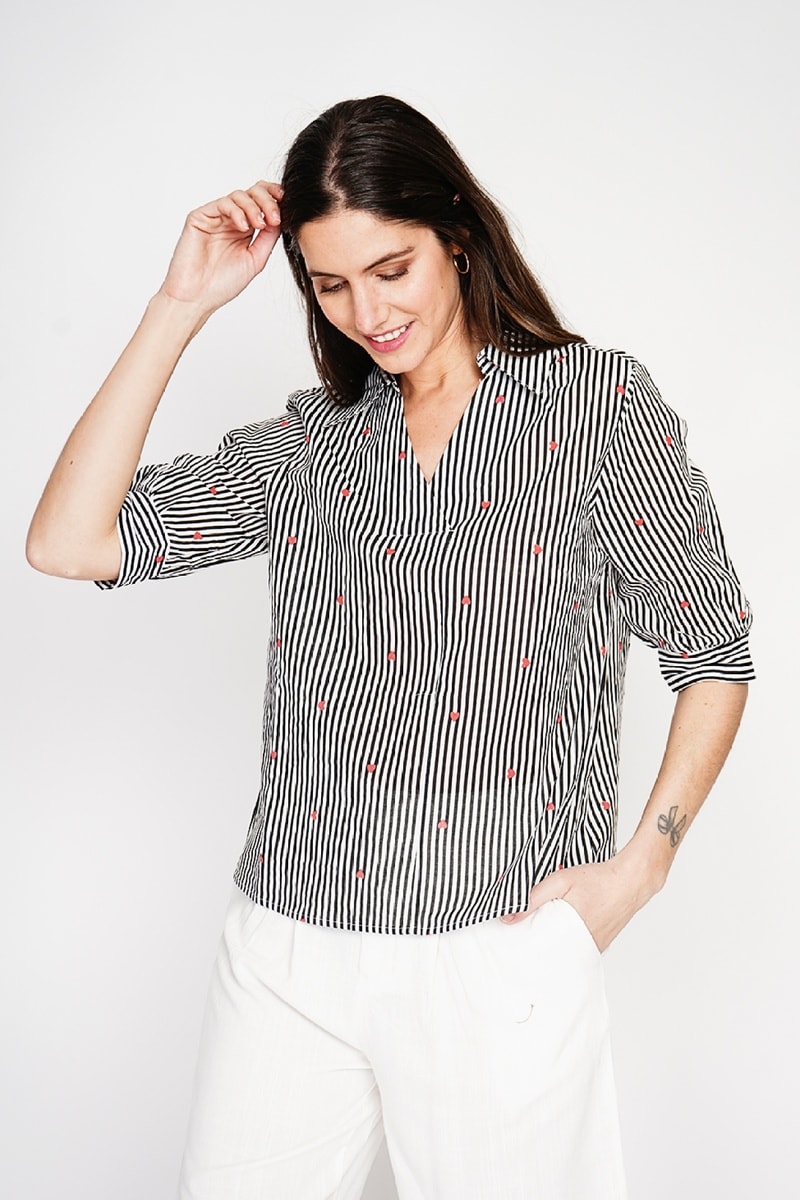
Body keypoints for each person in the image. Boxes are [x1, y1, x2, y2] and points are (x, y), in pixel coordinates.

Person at [26, 95, 754, 1200]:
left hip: (495, 946)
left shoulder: (597, 408)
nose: (367, 311)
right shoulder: (309, 443)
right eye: (330, 284)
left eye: (390, 268)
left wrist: (643, 865)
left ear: (454, 234)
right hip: (286, 945)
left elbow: (713, 650)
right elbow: (69, 542)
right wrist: (180, 305)